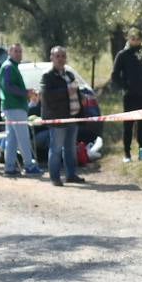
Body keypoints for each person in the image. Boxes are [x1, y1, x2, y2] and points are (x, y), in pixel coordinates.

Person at [39, 46, 84, 186]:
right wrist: (66, 90)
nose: (60, 59)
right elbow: (47, 96)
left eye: (63, 56)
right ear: (51, 58)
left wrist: (80, 98)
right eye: (57, 56)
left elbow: (76, 92)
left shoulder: (70, 75)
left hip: (72, 116)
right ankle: (54, 177)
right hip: (57, 118)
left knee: (70, 148)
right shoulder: (47, 76)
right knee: (56, 149)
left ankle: (71, 175)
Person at [0, 44, 43, 176]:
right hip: (14, 107)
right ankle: (29, 166)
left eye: (20, 52)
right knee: (23, 137)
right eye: (15, 51)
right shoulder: (8, 67)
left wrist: (26, 92)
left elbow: (9, 87)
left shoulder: (11, 67)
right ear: (9, 52)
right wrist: (26, 93)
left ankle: (9, 167)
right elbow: (8, 87)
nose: (18, 54)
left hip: (12, 107)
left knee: (12, 138)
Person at [110, 28, 142, 162]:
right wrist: (125, 87)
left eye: (138, 38)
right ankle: (127, 155)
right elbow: (115, 75)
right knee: (128, 125)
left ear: (141, 39)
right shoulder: (122, 55)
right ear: (129, 39)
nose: (135, 40)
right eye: (132, 38)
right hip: (129, 96)